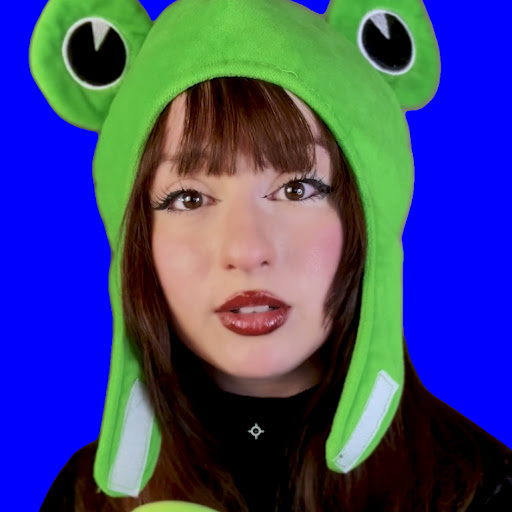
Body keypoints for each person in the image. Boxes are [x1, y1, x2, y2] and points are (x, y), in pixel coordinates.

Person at [29, 0, 512, 511]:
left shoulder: (485, 490)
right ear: (134, 236)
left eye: (298, 189)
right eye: (188, 198)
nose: (247, 250)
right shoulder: (82, 499)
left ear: (370, 213)